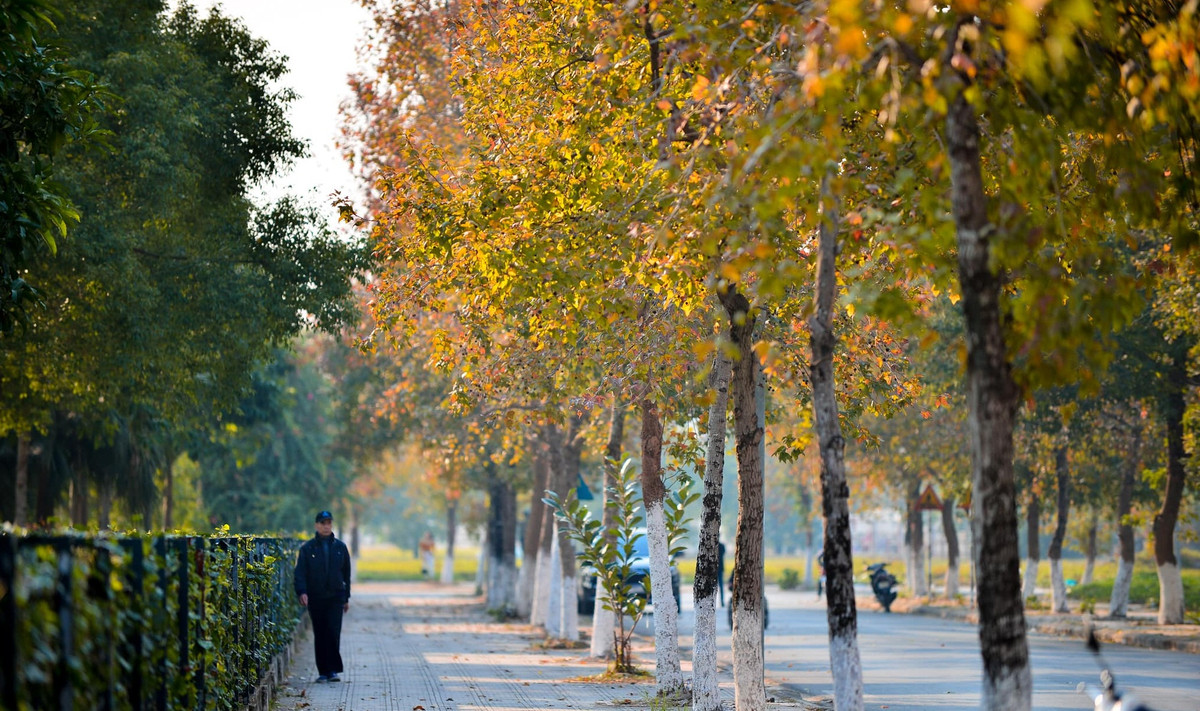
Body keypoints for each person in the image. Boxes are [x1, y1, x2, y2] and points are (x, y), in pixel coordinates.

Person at [294, 510, 351, 683]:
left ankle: (333, 669)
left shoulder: (340, 547)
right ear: (317, 525)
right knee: (320, 633)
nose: (326, 526)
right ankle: (323, 671)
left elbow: (346, 573)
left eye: (329, 523)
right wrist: (302, 592)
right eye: (323, 523)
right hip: (316, 597)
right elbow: (300, 573)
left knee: (333, 632)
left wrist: (346, 597)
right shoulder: (307, 548)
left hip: (335, 597)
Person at [716, 541, 726, 607]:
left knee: (714, 587)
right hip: (720, 568)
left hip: (715, 568)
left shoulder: (713, 546)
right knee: (721, 586)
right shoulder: (722, 546)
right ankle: (722, 602)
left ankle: (720, 601)